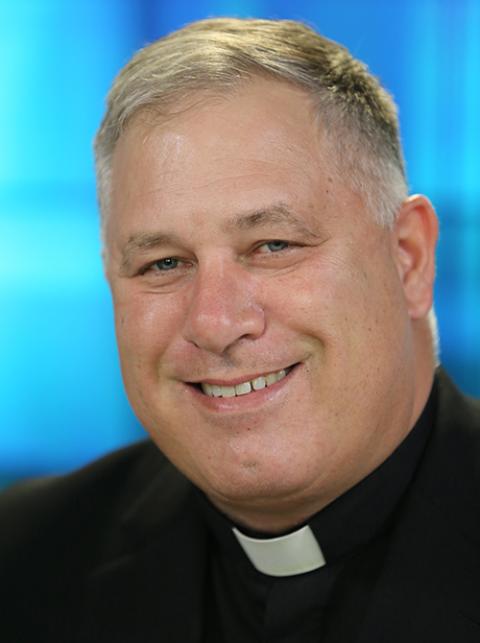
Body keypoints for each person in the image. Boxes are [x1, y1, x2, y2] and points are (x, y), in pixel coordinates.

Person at [1, 17, 479, 643]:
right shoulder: (22, 562)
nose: (215, 324)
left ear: (409, 257)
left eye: (274, 245)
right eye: (163, 263)